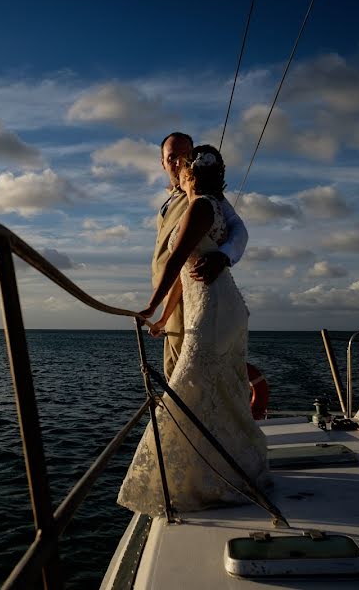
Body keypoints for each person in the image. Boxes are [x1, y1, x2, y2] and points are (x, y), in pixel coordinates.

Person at [117, 145, 268, 516]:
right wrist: (163, 315)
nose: (177, 176)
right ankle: (222, 469)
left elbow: (178, 261)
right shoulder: (203, 205)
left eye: (181, 170)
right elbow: (184, 280)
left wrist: (150, 303)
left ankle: (204, 478)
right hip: (214, 306)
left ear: (189, 175)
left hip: (214, 311)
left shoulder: (201, 206)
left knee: (189, 386)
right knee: (219, 390)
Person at [151, 132, 248, 380]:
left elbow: (238, 228)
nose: (177, 163)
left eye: (184, 157)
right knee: (176, 371)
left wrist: (224, 256)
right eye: (171, 157)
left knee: (186, 378)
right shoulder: (170, 200)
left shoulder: (207, 199)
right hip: (172, 299)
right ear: (162, 162)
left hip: (194, 298)